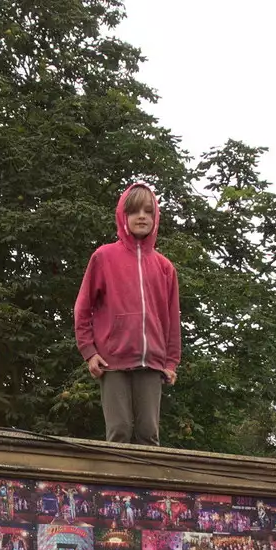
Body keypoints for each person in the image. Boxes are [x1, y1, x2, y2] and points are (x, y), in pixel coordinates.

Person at [74, 183, 181, 444]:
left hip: (152, 363)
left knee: (149, 433)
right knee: (119, 430)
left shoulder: (164, 267)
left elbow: (172, 320)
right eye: (134, 211)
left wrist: (170, 363)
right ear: (123, 216)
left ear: (156, 218)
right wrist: (89, 351)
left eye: (148, 211)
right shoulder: (104, 257)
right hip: (113, 361)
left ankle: (148, 486)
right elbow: (83, 307)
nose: (142, 216)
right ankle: (114, 487)